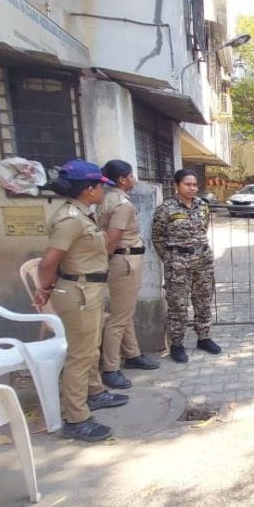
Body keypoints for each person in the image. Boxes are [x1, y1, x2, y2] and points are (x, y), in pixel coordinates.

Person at [34, 159, 128, 442]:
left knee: (91, 347)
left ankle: (95, 392)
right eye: (101, 186)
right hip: (77, 292)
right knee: (80, 355)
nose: (104, 191)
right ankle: (76, 418)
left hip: (89, 290)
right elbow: (48, 261)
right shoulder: (70, 219)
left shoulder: (82, 214)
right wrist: (44, 288)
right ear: (89, 189)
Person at [95, 160, 161, 390]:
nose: (134, 179)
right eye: (132, 176)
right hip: (124, 261)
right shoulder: (121, 204)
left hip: (123, 259)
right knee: (118, 318)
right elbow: (113, 238)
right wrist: (106, 261)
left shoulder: (106, 198)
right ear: (122, 179)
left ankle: (132, 354)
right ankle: (111, 368)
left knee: (125, 312)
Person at [151, 169, 222, 363]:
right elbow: (157, 237)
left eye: (194, 185)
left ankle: (204, 338)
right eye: (187, 184)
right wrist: (170, 258)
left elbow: (203, 228)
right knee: (177, 305)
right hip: (178, 264)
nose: (192, 188)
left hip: (203, 261)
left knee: (203, 300)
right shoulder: (166, 208)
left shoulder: (202, 206)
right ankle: (176, 344)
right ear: (176, 186)